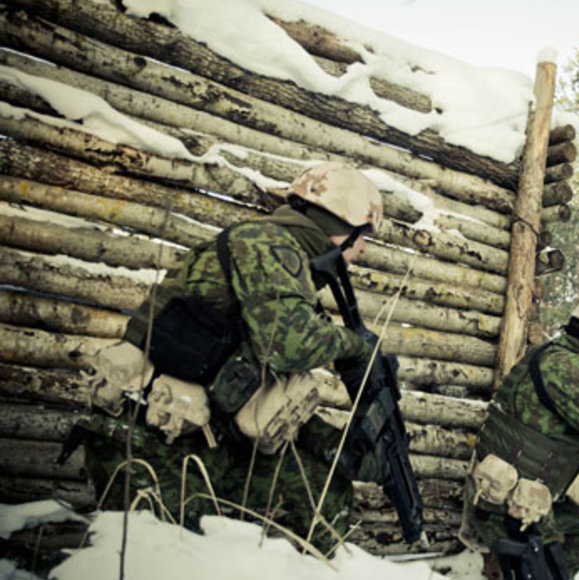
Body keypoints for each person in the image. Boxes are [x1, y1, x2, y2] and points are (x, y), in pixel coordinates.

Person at [72, 162, 385, 555]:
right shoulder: (267, 246)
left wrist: (337, 446)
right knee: (168, 558)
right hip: (147, 449)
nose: (363, 250)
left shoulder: (286, 268)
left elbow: (259, 388)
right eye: (363, 237)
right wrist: (355, 346)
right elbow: (289, 345)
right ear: (340, 224)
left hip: (206, 444)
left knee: (319, 487)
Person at [459, 290, 579, 579]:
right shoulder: (565, 369)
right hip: (513, 509)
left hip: (504, 494)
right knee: (571, 543)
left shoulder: (551, 355)